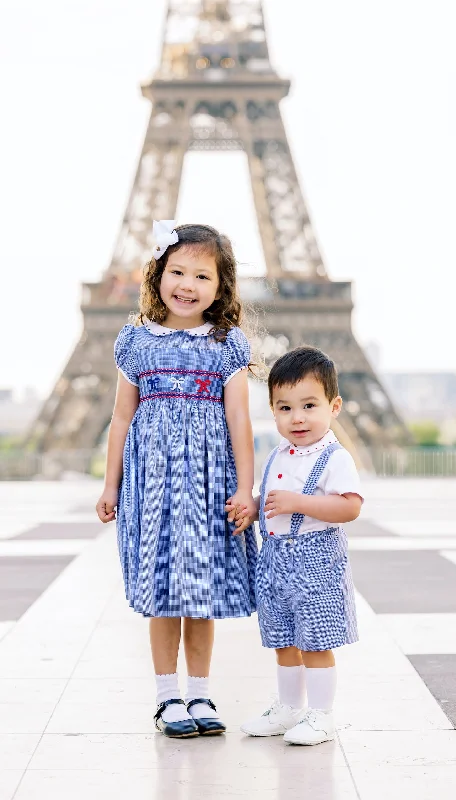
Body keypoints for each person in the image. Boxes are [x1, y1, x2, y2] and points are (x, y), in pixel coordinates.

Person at [96, 221, 257, 739]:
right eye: (177, 271)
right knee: (164, 589)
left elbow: (239, 419)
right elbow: (122, 417)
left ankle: (201, 691)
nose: (187, 285)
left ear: (221, 286)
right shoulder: (136, 340)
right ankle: (168, 697)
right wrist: (110, 484)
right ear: (158, 274)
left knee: (200, 591)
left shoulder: (226, 343)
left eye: (202, 276)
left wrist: (245, 487)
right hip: (153, 485)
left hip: (210, 482)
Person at [228, 346, 363, 745]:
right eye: (285, 408)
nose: (297, 417)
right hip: (275, 563)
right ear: (272, 411)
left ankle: (321, 715)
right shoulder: (278, 454)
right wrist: (251, 508)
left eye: (308, 405)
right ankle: (289, 707)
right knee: (283, 640)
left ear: (334, 406)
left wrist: (298, 502)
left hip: (316, 564)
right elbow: (274, 503)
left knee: (316, 641)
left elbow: (350, 507)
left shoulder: (335, 458)